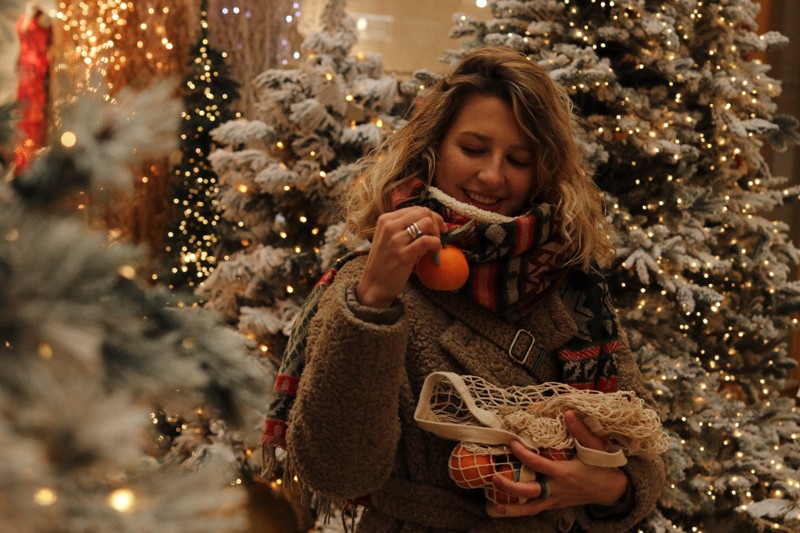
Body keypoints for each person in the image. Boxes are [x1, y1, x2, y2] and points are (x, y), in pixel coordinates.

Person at [274, 45, 666, 532]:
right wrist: (372, 303)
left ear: (541, 172)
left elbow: (645, 449)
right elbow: (336, 471)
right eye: (474, 149)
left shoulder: (570, 282)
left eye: (518, 159)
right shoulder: (371, 282)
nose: (492, 175)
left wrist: (605, 488)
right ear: (432, 150)